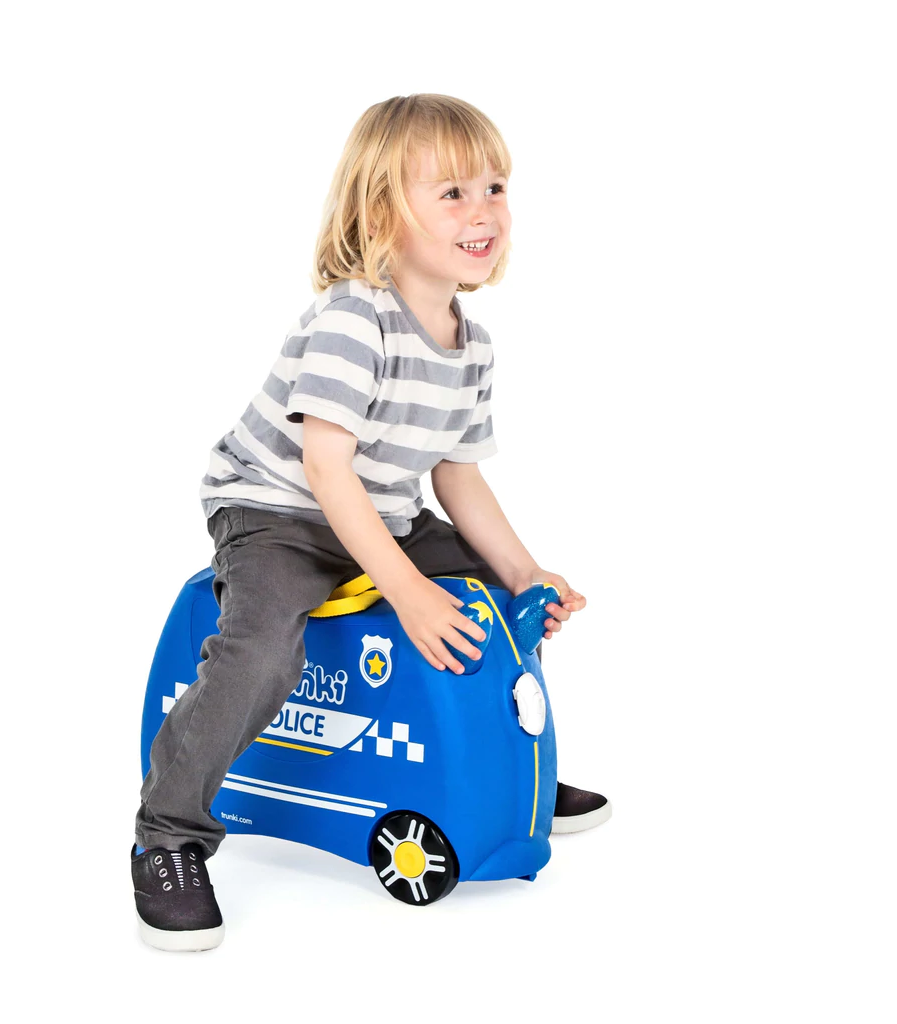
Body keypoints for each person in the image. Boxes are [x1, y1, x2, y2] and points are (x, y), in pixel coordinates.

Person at [132, 93, 611, 952]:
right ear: (383, 211)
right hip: (276, 511)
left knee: (496, 604)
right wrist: (408, 590)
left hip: (381, 511)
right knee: (262, 650)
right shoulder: (356, 317)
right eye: (452, 193)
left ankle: (506, 778)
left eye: (494, 188)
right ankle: (167, 832)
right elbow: (325, 468)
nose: (482, 211)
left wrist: (524, 573)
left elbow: (456, 474)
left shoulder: (472, 344)